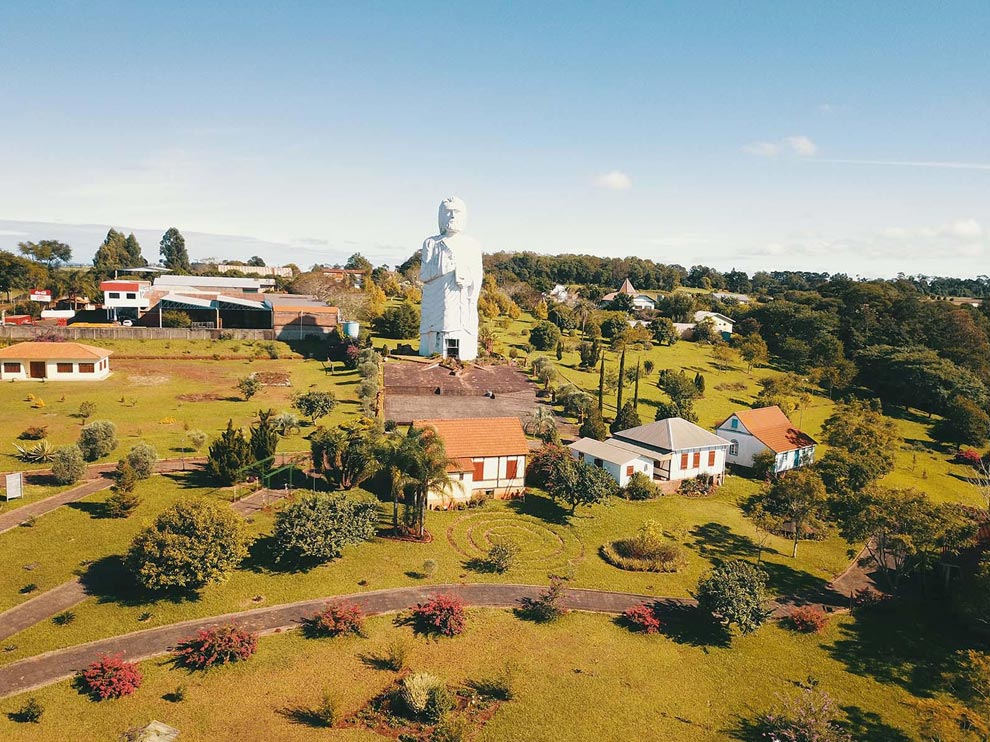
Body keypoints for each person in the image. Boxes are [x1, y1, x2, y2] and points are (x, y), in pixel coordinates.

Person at [418, 197, 483, 361]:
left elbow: (477, 275)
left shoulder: (471, 244)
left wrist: (466, 279)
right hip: (437, 302)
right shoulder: (431, 243)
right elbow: (424, 275)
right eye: (448, 212)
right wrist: (442, 267)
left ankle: (457, 354)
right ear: (441, 216)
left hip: (460, 301)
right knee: (437, 331)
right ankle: (434, 351)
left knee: (457, 332)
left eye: (457, 212)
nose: (452, 216)